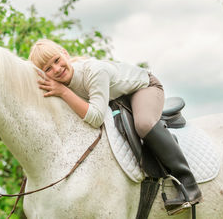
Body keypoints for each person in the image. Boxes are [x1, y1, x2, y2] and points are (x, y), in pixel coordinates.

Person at [28, 39, 202, 214]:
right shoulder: (60, 84)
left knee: (143, 124)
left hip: (143, 87)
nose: (56, 69)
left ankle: (188, 182)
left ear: (65, 53)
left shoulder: (93, 72)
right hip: (117, 97)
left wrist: (64, 92)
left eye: (57, 60)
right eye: (48, 69)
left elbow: (95, 117)